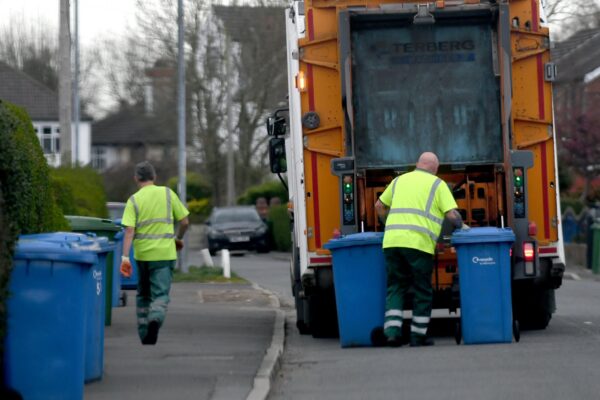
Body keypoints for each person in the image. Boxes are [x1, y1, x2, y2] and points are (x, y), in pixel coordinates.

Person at [374, 152, 464, 347]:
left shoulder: (399, 180)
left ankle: (391, 333)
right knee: (422, 289)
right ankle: (417, 337)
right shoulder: (437, 184)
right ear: (435, 169)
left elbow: (379, 205)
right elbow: (451, 215)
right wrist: (463, 227)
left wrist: (388, 224)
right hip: (418, 244)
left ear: (417, 164)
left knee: (395, 286)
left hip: (392, 242)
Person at [120, 161, 190, 345]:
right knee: (160, 294)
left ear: (136, 178)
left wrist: (125, 257)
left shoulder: (133, 200)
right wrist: (178, 238)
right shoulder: (168, 194)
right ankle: (155, 317)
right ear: (154, 177)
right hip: (164, 255)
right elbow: (184, 222)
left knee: (143, 294)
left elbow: (129, 231)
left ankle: (145, 334)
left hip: (142, 256)